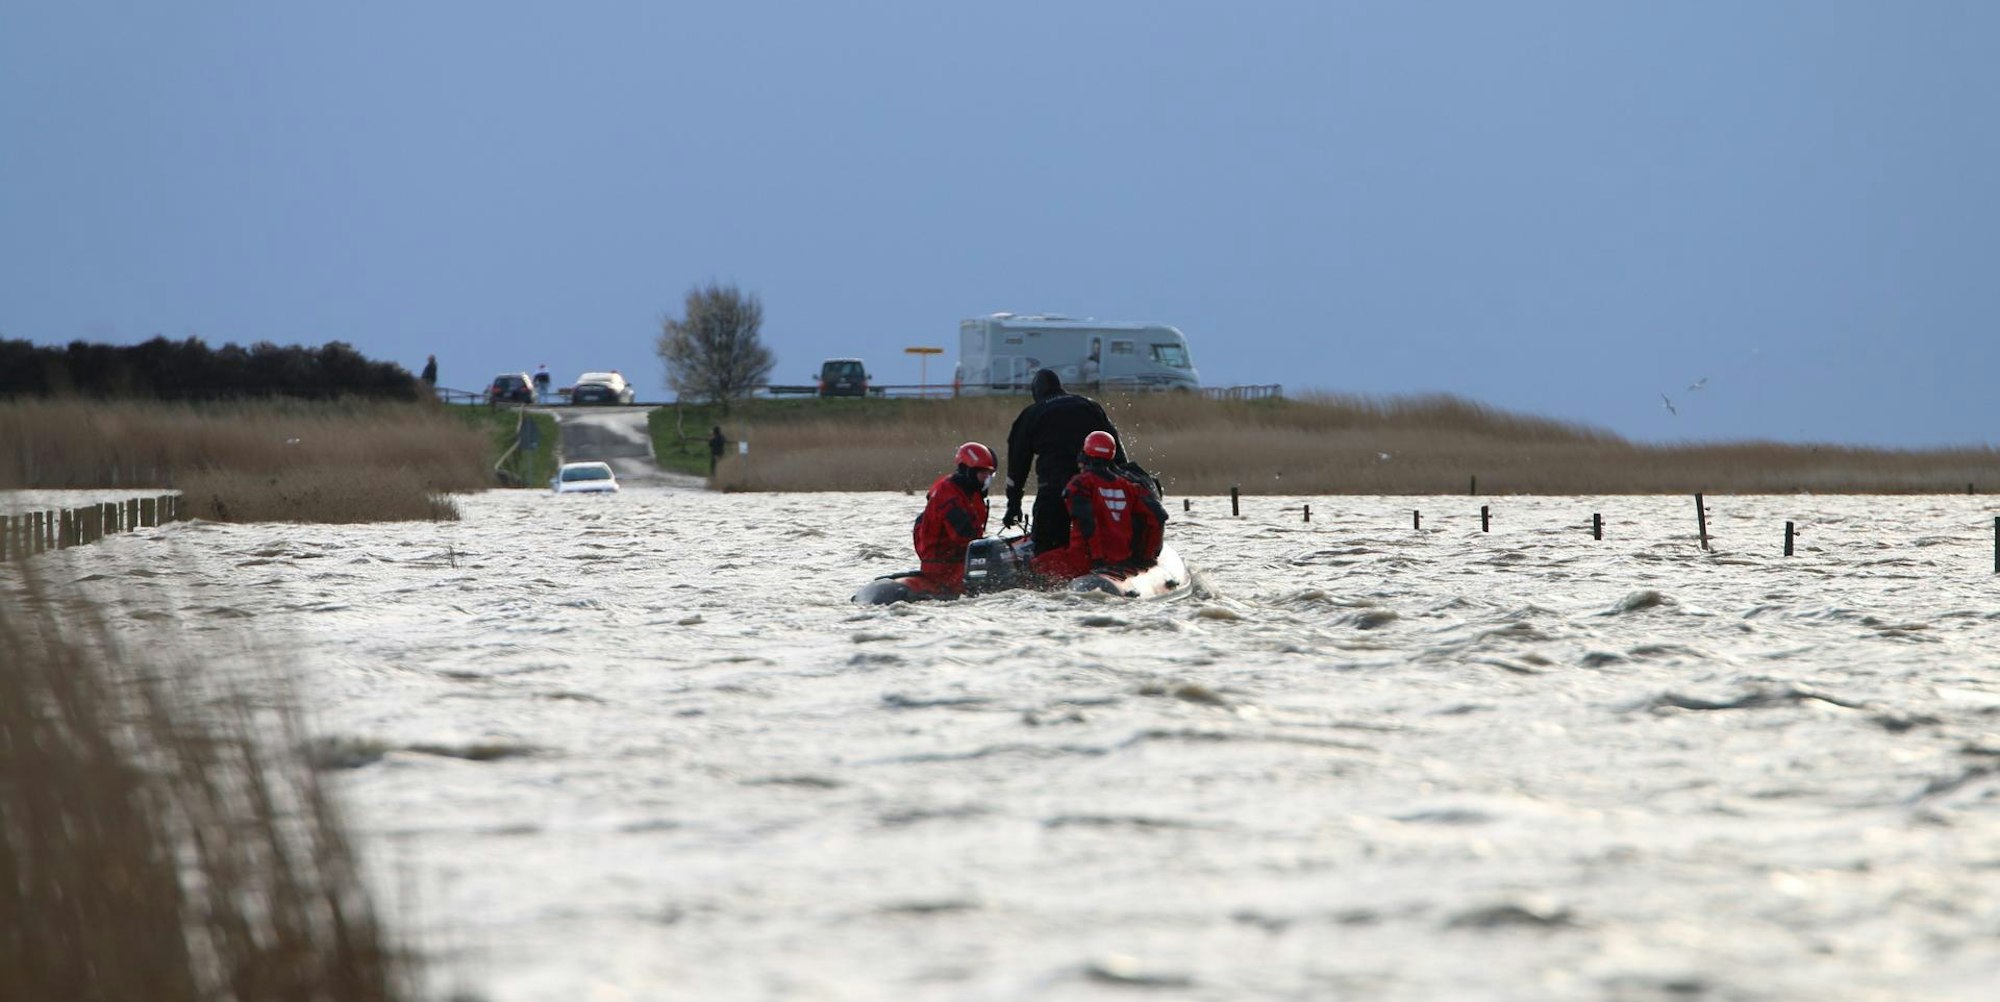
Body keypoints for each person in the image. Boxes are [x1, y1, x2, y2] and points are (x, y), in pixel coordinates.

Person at [1003, 368, 1124, 557]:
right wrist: (1123, 482)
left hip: (1053, 491)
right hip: (1094, 490)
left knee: (1047, 549)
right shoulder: (1088, 406)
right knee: (1099, 543)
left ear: (1037, 393)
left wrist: (1013, 504)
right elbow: (1113, 446)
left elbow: (1018, 464)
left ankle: (1048, 580)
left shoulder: (1031, 414)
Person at [1037, 431, 1168, 581]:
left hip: (1083, 560)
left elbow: (1087, 523)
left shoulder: (1080, 484)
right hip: (1122, 558)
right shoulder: (1129, 487)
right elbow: (1158, 516)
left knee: (1035, 565)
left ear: (1085, 454)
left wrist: (1098, 559)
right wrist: (1147, 557)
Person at [906, 442, 995, 598]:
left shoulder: (969, 494)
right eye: (983, 474)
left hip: (958, 562)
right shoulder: (948, 495)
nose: (986, 480)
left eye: (989, 475)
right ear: (969, 471)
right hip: (944, 568)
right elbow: (965, 537)